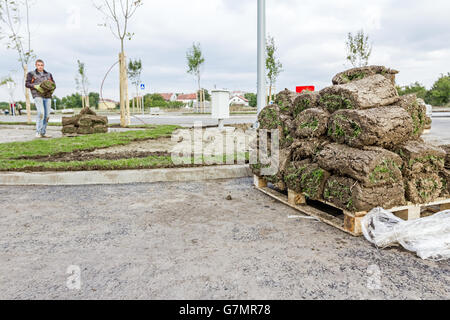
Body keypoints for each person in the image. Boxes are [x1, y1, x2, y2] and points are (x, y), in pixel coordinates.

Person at [25, 59, 55, 138]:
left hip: (47, 96)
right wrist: (35, 86)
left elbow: (53, 84)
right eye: (38, 65)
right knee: (41, 113)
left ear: (43, 65)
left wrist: (51, 89)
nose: (40, 66)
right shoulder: (31, 74)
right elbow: (27, 84)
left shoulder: (49, 74)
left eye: (41, 65)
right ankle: (38, 132)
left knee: (47, 115)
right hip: (37, 95)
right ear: (36, 65)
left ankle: (43, 132)